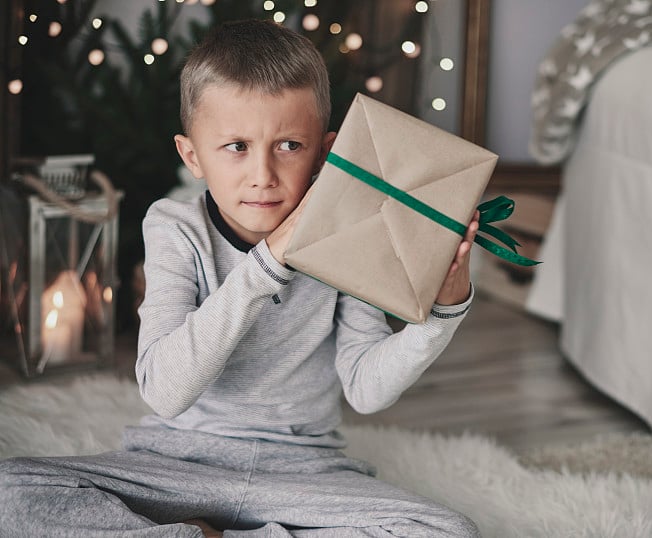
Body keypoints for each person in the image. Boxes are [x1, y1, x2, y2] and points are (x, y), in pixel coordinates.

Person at [0, 19, 481, 537]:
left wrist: (442, 314)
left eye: (290, 146)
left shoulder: (346, 231)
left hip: (303, 474)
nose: (263, 175)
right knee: (11, 491)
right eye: (236, 147)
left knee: (445, 530)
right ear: (193, 155)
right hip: (176, 468)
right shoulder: (173, 227)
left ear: (325, 152)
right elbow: (164, 392)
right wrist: (265, 267)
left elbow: (365, 389)